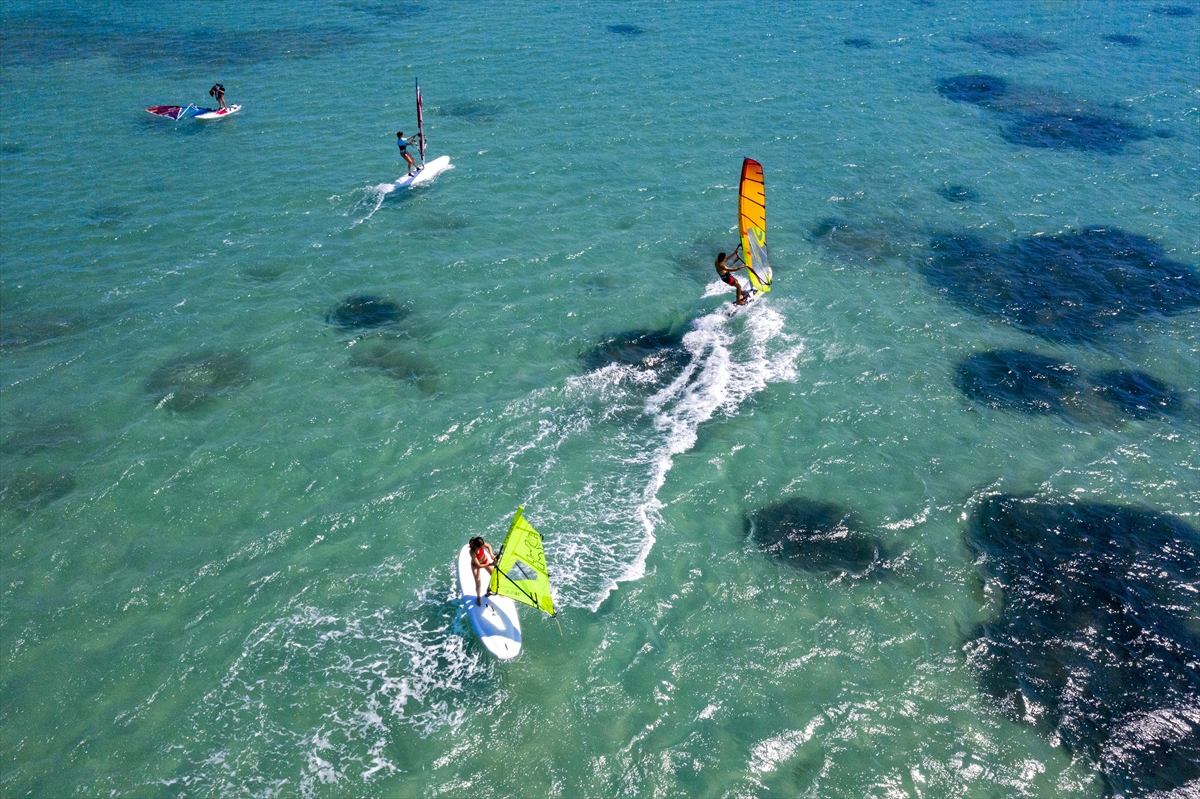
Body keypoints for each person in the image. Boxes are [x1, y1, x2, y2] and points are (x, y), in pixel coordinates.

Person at [469, 536, 496, 607]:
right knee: (478, 583)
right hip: (476, 566)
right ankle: (478, 597)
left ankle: (493, 588)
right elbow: (478, 565)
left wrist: (491, 554)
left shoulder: (481, 543)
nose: (482, 547)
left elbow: (489, 546)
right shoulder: (473, 552)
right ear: (477, 546)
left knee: (495, 575)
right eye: (481, 547)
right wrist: (491, 564)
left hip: (485, 561)